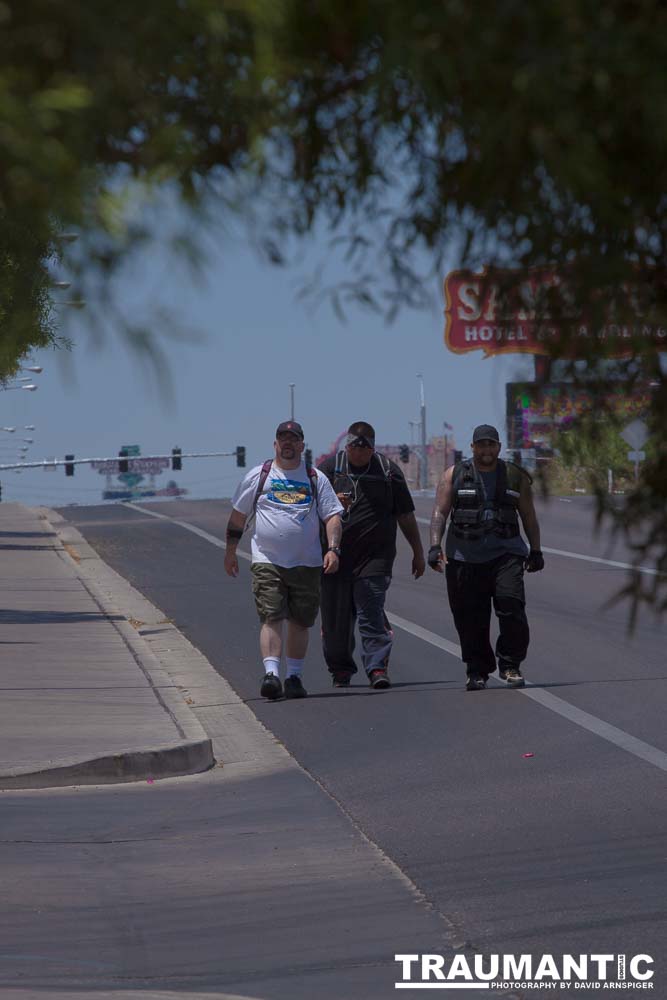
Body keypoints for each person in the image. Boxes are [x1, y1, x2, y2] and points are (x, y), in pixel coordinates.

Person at [224, 420, 343, 701]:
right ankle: (272, 675)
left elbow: (333, 516)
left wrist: (334, 549)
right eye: (282, 438)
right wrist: (230, 552)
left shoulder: (315, 478)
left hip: (307, 562)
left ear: (302, 445)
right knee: (272, 615)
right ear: (275, 444)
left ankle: (294, 677)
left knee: (301, 622)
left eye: (293, 438)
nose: (287, 443)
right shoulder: (259, 476)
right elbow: (238, 517)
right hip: (268, 559)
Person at [428, 424, 544, 691]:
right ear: (472, 448)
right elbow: (440, 512)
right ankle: (477, 670)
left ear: (499, 447)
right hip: (464, 558)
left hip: (507, 554)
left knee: (511, 605)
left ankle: (511, 664)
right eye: (481, 445)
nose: (487, 450)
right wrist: (435, 546)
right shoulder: (454, 475)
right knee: (470, 618)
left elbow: (528, 516)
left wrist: (536, 550)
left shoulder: (514, 476)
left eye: (491, 444)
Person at [318, 421, 425, 689]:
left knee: (371, 614)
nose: (359, 451)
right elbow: (310, 512)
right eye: (355, 445)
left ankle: (377, 667)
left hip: (375, 558)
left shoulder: (388, 472)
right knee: (335, 625)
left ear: (373, 448)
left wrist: (418, 552)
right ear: (347, 445)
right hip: (334, 558)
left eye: (365, 447)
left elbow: (406, 516)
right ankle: (340, 669)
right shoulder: (330, 470)